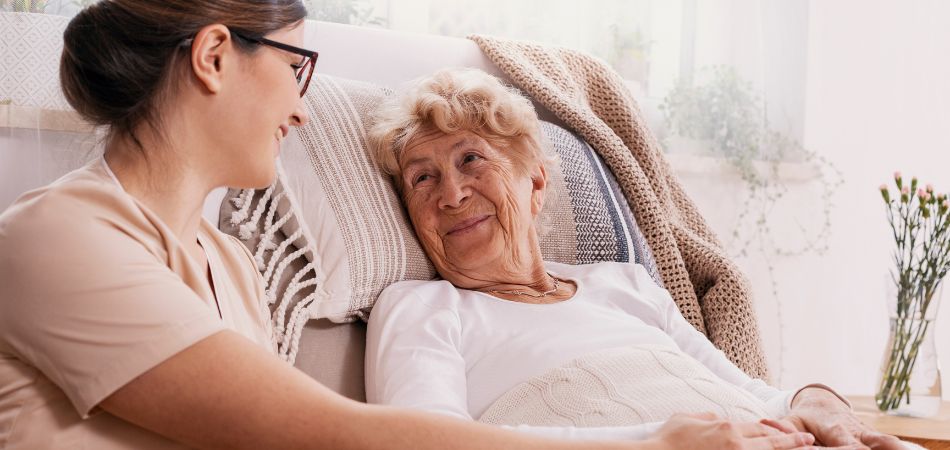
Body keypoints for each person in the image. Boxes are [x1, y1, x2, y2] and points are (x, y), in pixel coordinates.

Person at [0, 1, 823, 449]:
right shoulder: (55, 238)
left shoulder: (230, 266)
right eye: (296, 67)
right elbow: (327, 435)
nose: (302, 105)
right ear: (215, 57)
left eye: (474, 163)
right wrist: (651, 445)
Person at [365, 68, 905, 449]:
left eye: (471, 160)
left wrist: (820, 401)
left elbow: (757, 394)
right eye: (422, 178)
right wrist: (656, 441)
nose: (452, 194)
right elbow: (427, 443)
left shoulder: (625, 284)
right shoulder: (423, 307)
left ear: (535, 181)